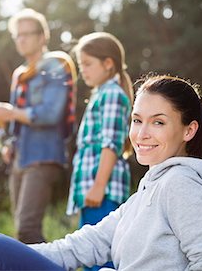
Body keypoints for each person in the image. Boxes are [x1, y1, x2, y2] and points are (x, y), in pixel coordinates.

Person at [0, 74, 202, 271]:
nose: (141, 134)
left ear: (189, 130)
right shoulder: (146, 192)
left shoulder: (182, 183)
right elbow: (79, 247)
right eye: (137, 120)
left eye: (158, 123)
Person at [0, 8, 76, 244]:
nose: (22, 39)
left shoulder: (56, 65)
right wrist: (8, 142)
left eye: (28, 33)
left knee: (28, 229)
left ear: (42, 36)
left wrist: (12, 113)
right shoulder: (20, 74)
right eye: (18, 35)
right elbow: (15, 124)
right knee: (21, 229)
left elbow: (51, 114)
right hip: (20, 156)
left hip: (43, 154)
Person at [66, 32, 133, 271]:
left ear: (108, 64)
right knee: (88, 253)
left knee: (100, 257)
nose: (82, 70)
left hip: (102, 191)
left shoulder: (112, 95)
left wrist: (98, 185)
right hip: (92, 191)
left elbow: (110, 143)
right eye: (80, 64)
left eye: (87, 64)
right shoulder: (100, 95)